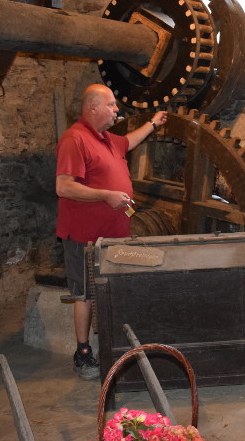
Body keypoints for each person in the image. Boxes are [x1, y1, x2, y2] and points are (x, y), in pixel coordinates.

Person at [56, 83, 167, 380]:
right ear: (93, 107)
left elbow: (129, 142)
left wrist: (152, 124)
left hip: (113, 235)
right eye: (112, 105)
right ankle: (83, 354)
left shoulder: (104, 139)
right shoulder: (74, 139)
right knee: (84, 294)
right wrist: (106, 195)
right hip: (85, 237)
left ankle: (114, 346)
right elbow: (63, 186)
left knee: (111, 290)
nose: (117, 109)